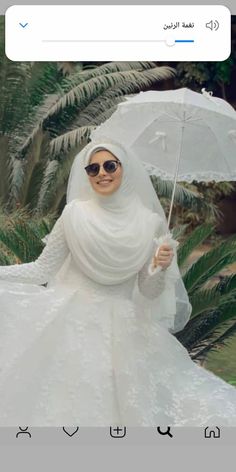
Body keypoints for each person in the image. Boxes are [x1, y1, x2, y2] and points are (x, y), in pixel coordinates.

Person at [0, 140, 236, 427]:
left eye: (110, 165)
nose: (102, 173)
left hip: (124, 333)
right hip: (67, 324)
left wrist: (159, 268)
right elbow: (42, 270)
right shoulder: (74, 214)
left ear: (124, 169)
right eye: (93, 167)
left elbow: (148, 291)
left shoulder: (150, 224)